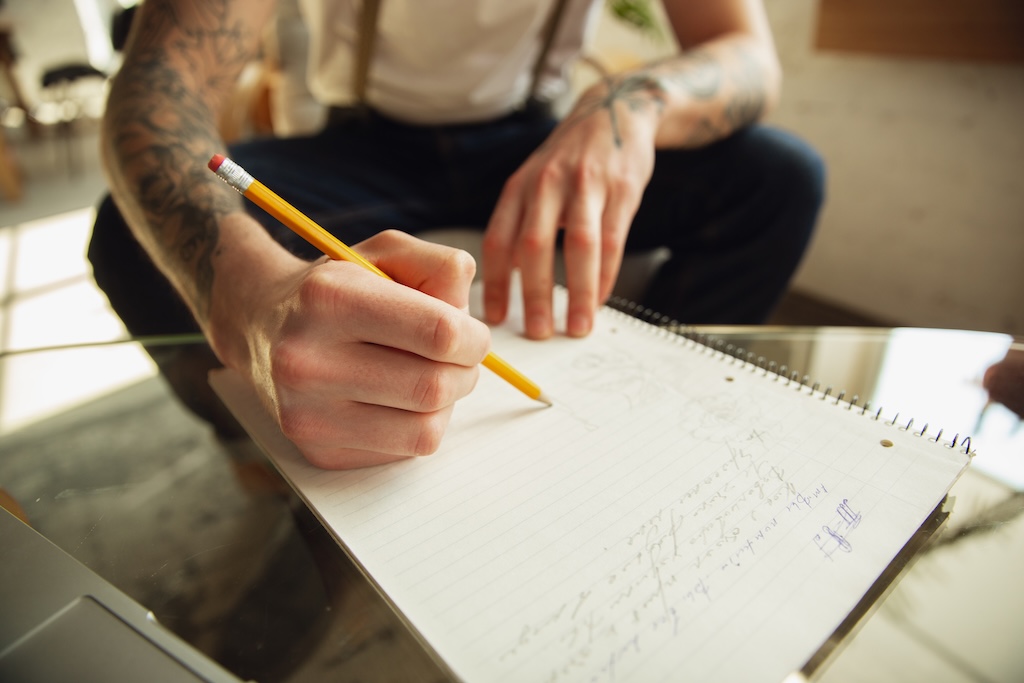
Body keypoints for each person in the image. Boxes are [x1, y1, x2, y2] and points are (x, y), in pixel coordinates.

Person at [89, 0, 825, 470]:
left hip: (535, 136)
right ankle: (255, 446)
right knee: (129, 233)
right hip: (362, 146)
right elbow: (159, 84)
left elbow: (747, 50)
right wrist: (249, 302)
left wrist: (631, 102)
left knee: (780, 179)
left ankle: (662, 408)